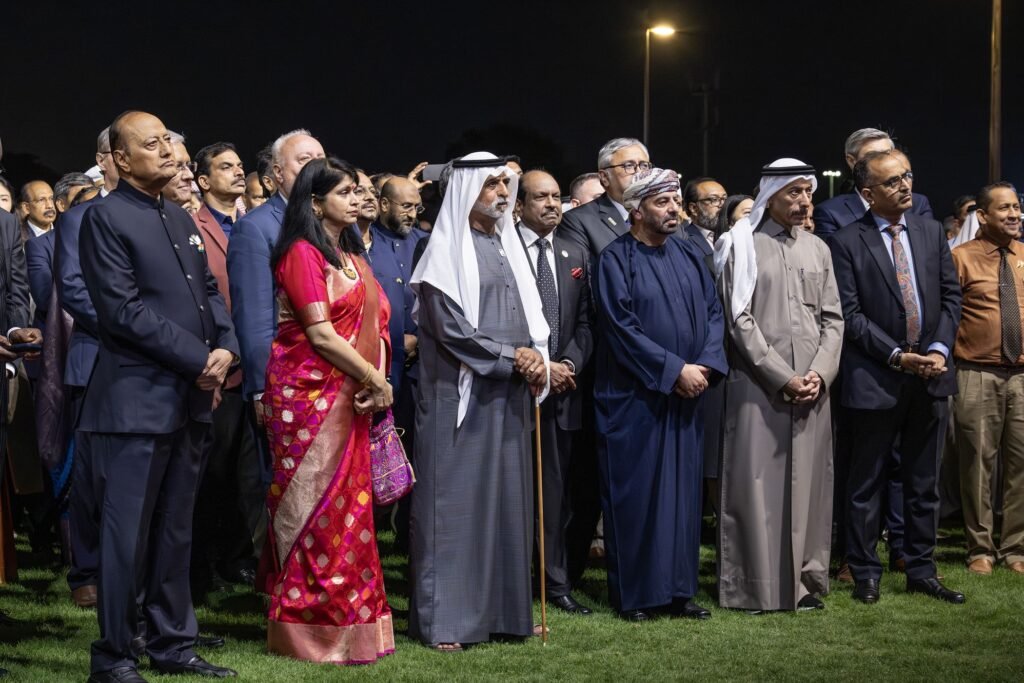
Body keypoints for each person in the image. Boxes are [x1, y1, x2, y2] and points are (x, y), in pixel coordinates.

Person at [77, 110, 238, 681]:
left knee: (175, 531)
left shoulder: (178, 215)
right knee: (126, 539)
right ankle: (115, 656)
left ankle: (172, 646)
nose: (169, 150)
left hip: (190, 401)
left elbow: (211, 295)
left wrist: (227, 346)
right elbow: (121, 311)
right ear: (121, 159)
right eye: (153, 143)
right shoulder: (104, 217)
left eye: (170, 138)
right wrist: (200, 359)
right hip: (134, 404)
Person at [408, 152, 550, 650]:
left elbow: (532, 319)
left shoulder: (507, 244)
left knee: (508, 504)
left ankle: (506, 615)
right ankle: (447, 620)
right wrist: (516, 357)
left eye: (506, 184)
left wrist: (537, 358)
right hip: (459, 396)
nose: (502, 192)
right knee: (455, 505)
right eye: (492, 184)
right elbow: (451, 330)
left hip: (509, 393)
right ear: (468, 189)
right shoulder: (442, 248)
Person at [262, 156, 395, 664]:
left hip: (352, 393)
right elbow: (318, 333)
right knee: (312, 512)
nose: (356, 198)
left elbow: (375, 320)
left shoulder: (350, 256)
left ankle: (353, 620)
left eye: (358, 190)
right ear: (316, 202)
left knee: (350, 511)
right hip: (307, 398)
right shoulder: (301, 253)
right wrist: (374, 377)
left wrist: (376, 381)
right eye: (344, 192)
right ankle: (308, 625)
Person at [829, 149, 964, 605]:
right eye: (892, 182)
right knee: (865, 483)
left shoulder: (928, 232)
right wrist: (896, 356)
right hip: (876, 377)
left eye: (907, 176)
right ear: (868, 193)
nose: (905, 185)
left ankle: (921, 569)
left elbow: (950, 299)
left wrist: (939, 350)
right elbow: (850, 315)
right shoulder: (847, 241)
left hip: (931, 374)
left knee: (923, 483)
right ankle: (865, 571)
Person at [593, 168, 727, 621]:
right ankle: (637, 595)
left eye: (675, 202)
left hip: (687, 397)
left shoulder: (690, 254)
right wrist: (674, 371)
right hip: (637, 400)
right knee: (639, 496)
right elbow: (620, 328)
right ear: (636, 210)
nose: (674, 210)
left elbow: (713, 313)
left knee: (683, 497)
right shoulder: (615, 259)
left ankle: (679, 591)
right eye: (662, 203)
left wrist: (704, 365)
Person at [715, 159, 844, 612]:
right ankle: (753, 588)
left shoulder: (818, 249)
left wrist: (819, 374)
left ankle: (805, 584)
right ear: (770, 195)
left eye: (807, 193)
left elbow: (833, 319)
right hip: (758, 385)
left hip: (813, 386)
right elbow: (738, 319)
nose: (803, 201)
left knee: (810, 486)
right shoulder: (740, 244)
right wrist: (781, 375)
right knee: (754, 486)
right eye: (793, 193)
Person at [515, 170, 594, 615]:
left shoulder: (573, 251)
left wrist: (567, 365)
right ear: (520, 206)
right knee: (515, 490)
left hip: (563, 391)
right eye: (540, 198)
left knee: (557, 493)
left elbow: (585, 323)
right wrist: (538, 365)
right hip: (514, 388)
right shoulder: (505, 251)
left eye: (555, 197)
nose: (551, 205)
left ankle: (555, 582)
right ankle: (512, 578)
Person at [191, 141, 262, 592]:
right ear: (203, 180)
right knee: (212, 470)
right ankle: (207, 560)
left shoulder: (252, 225)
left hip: (254, 365)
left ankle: (239, 556)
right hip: (217, 363)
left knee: (248, 470)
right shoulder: (192, 225)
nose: (238, 173)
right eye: (225, 167)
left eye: (240, 165)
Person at [949, 182, 1024, 576]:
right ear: (983, 215)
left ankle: (1016, 548)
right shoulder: (961, 258)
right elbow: (948, 315)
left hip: (1022, 376)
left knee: (1021, 463)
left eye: (1017, 208)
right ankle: (979, 547)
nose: (1013, 215)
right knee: (977, 462)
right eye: (1004, 209)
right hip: (976, 371)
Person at [681, 177, 729, 516]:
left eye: (724, 198)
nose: (720, 205)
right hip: (699, 357)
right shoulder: (685, 242)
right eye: (712, 200)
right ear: (692, 208)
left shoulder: (735, 240)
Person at [813, 128, 932, 241]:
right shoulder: (830, 212)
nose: (883, 162)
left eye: (887, 154)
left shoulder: (918, 204)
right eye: (872, 156)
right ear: (851, 161)